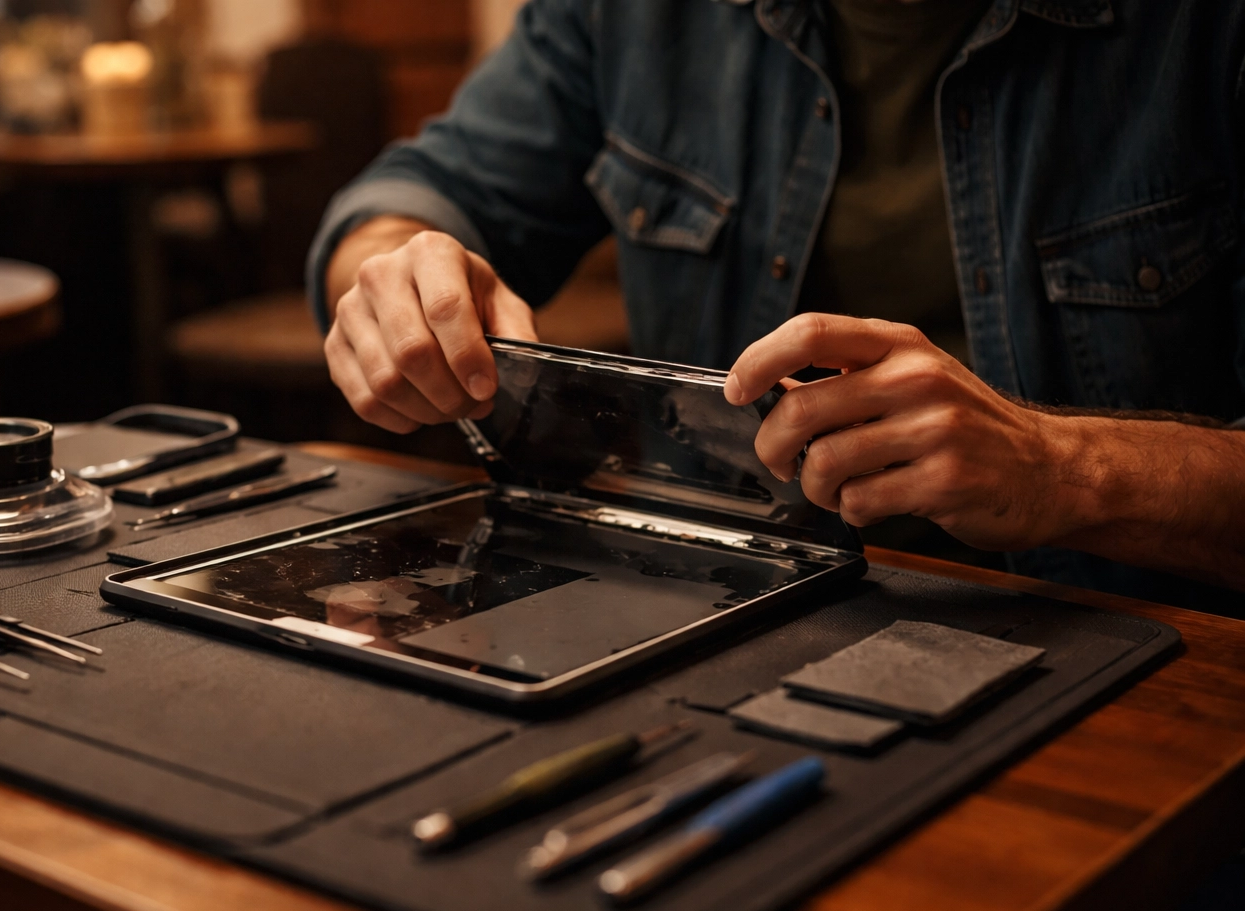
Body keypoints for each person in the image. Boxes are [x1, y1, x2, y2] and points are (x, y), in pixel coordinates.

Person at [308, 0, 1245, 617]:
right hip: (710, 600)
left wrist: (1061, 471)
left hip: (1128, 649)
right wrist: (392, 272)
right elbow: (426, 190)